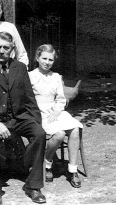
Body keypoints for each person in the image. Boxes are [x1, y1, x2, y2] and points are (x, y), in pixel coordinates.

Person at [0, 32, 47, 204]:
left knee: (39, 134)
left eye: (6, 47)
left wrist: (37, 122)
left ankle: (33, 186)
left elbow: (29, 98)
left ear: (12, 49)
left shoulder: (20, 68)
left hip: (18, 117)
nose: (2, 51)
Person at [28, 44, 83, 188]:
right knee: (58, 135)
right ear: (37, 58)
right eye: (44, 58)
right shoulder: (31, 76)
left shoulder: (56, 77)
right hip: (38, 113)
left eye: (50, 60)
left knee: (75, 128)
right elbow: (27, 99)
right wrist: (38, 113)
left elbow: (60, 99)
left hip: (55, 111)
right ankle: (47, 163)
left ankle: (72, 170)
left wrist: (57, 111)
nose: (47, 62)